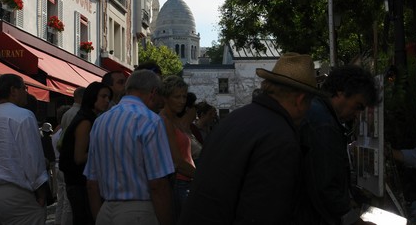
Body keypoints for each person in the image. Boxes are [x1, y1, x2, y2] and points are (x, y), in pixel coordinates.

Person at [178, 52, 322, 224]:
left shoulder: (235, 119)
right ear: (300, 100)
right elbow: (264, 212)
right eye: (309, 102)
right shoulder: (279, 137)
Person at [84, 70, 174, 225]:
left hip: (106, 210)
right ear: (153, 92)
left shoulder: (100, 121)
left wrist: (99, 216)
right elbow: (158, 184)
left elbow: (92, 183)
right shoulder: (150, 121)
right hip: (139, 211)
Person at [297, 65, 379, 225]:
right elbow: (325, 187)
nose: (357, 114)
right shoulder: (323, 124)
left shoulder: (319, 113)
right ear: (341, 92)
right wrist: (353, 220)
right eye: (357, 106)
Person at [0, 74, 49, 225]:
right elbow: (32, 158)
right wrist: (41, 192)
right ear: (13, 90)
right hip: (17, 194)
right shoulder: (24, 116)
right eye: (24, 88)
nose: (26, 92)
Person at [59, 81, 112, 225]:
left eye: (108, 97)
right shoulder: (86, 121)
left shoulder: (89, 118)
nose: (107, 100)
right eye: (103, 96)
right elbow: (79, 157)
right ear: (92, 97)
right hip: (79, 184)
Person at [159, 76, 196, 221]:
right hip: (179, 183)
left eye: (184, 96)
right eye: (177, 97)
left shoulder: (174, 120)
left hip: (186, 181)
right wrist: (202, 177)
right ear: (166, 98)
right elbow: (177, 162)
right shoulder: (164, 121)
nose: (182, 101)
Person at [52, 105, 73, 225]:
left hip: (56, 165)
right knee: (66, 202)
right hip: (64, 166)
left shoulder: (55, 131)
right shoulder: (63, 131)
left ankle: (57, 221)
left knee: (60, 201)